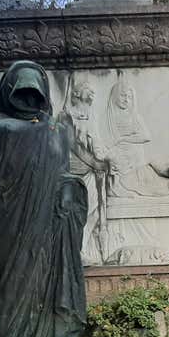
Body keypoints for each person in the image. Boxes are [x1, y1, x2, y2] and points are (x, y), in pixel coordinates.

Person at [0, 60, 87, 337]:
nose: (28, 100)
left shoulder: (53, 128)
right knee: (14, 291)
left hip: (49, 225)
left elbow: (64, 171)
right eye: (22, 93)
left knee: (48, 285)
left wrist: (69, 190)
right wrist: (51, 128)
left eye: (34, 94)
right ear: (9, 92)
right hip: (12, 222)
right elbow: (2, 136)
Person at [60, 80, 109, 265]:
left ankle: (82, 249)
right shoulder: (66, 115)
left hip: (91, 170)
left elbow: (96, 141)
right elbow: (71, 144)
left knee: (93, 211)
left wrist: (101, 160)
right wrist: (94, 163)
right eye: (88, 89)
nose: (92, 93)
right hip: (74, 171)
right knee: (75, 212)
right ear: (78, 93)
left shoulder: (91, 114)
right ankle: (73, 251)